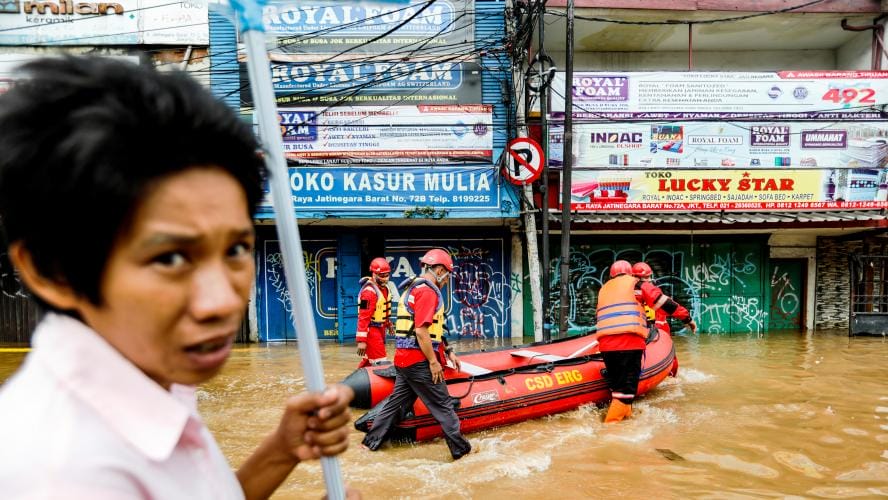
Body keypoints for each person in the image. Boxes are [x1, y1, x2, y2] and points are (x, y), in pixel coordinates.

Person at [0, 56, 356, 499]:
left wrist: (280, 451)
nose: (223, 302)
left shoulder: (152, 379)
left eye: (237, 249)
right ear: (51, 269)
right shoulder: (63, 476)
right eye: (170, 259)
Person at [360, 249, 471, 460]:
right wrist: (433, 362)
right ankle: (462, 452)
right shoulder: (428, 292)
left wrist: (448, 351)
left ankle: (369, 444)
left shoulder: (413, 287)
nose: (447, 280)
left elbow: (431, 329)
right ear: (439, 270)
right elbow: (421, 331)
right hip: (419, 362)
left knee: (396, 404)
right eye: (447, 274)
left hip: (404, 360)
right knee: (444, 407)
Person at [595, 260, 666, 424]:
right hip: (630, 343)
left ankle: (626, 415)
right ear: (630, 273)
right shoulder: (637, 286)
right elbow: (664, 304)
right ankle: (611, 427)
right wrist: (687, 318)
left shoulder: (604, 289)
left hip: (606, 345)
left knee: (618, 387)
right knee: (626, 390)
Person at [631, 262, 697, 336]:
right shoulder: (647, 289)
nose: (649, 280)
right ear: (636, 278)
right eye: (646, 277)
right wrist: (687, 319)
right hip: (644, 331)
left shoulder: (621, 291)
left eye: (649, 276)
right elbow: (668, 305)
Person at [356, 257, 394, 367]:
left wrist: (388, 324)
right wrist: (361, 341)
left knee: (369, 360)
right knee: (380, 361)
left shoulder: (385, 289)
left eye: (387, 275)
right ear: (374, 274)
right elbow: (363, 317)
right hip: (371, 331)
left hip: (380, 329)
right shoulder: (368, 293)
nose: (385, 279)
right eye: (382, 276)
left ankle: (349, 384)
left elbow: (383, 310)